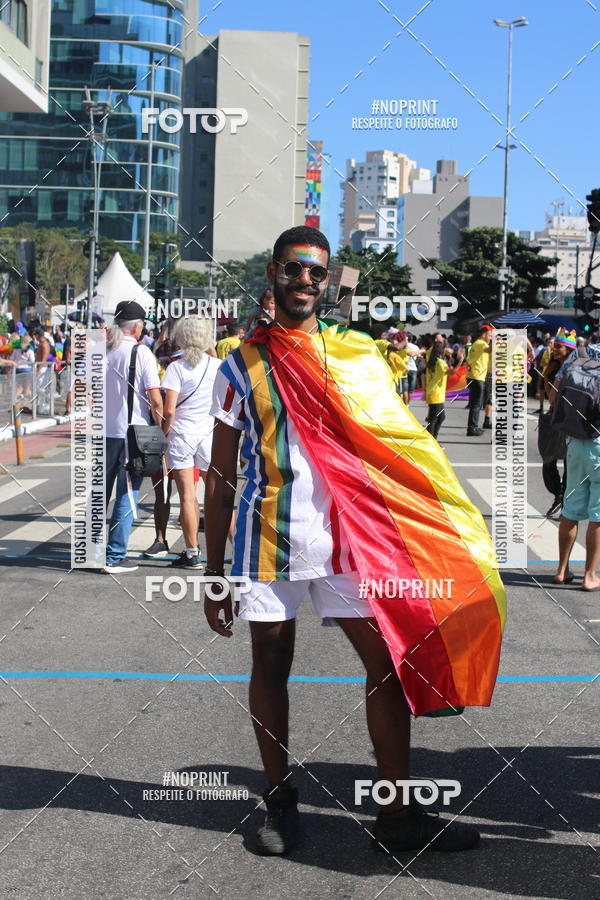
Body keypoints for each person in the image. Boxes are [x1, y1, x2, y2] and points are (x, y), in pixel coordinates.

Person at [204, 225, 505, 857]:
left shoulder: (356, 355)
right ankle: (279, 800)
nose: (304, 281)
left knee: (387, 665)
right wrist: (212, 571)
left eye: (316, 272)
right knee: (270, 664)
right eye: (293, 269)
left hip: (351, 538)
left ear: (327, 281)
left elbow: (394, 442)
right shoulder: (239, 364)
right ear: (273, 273)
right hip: (268, 538)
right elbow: (221, 475)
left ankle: (396, 812)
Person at [103, 300, 163, 574]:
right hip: (132, 436)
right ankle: (115, 556)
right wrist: (161, 429)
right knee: (127, 494)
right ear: (137, 327)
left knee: (99, 495)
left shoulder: (101, 350)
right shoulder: (141, 353)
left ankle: (89, 550)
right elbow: (155, 399)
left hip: (103, 433)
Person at [161, 316, 222, 569]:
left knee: (187, 496)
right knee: (218, 496)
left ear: (182, 337)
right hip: (210, 434)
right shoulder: (218, 366)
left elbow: (169, 410)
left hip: (182, 435)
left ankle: (191, 552)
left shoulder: (176, 368)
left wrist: (163, 432)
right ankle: (234, 548)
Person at [424, 338, 459, 440]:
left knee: (440, 417)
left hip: (433, 392)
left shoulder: (431, 360)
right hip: (436, 394)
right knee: (434, 419)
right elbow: (451, 373)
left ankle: (433, 439)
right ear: (442, 350)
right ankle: (431, 441)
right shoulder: (440, 363)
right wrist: (460, 361)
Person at [466, 325, 492, 436]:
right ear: (484, 334)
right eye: (490, 335)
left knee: (474, 404)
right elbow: (490, 350)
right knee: (477, 404)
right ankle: (473, 428)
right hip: (477, 376)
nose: (490, 338)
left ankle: (472, 427)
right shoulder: (481, 343)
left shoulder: (476, 343)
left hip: (472, 376)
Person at [386, 330, 410, 403]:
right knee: (400, 394)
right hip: (397, 377)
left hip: (392, 377)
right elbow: (406, 368)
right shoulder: (395, 356)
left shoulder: (390, 355)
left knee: (398, 394)